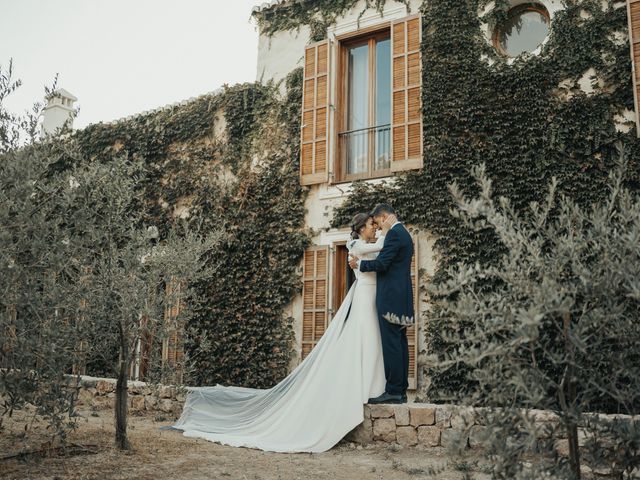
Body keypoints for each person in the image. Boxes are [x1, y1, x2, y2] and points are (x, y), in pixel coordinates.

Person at [161, 212, 393, 453]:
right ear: (360, 228)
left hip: (372, 296)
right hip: (365, 296)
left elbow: (378, 256)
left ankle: (373, 387)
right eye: (370, 225)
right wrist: (390, 230)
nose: (373, 228)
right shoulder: (354, 244)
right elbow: (378, 247)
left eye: (374, 225)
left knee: (371, 340)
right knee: (365, 337)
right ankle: (364, 388)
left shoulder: (366, 246)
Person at [349, 203, 414, 405]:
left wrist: (359, 264)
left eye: (377, 222)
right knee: (400, 344)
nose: (377, 227)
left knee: (392, 344)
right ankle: (401, 389)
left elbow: (382, 263)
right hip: (401, 297)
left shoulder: (394, 234)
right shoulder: (404, 233)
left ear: (384, 217)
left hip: (390, 298)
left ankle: (394, 391)